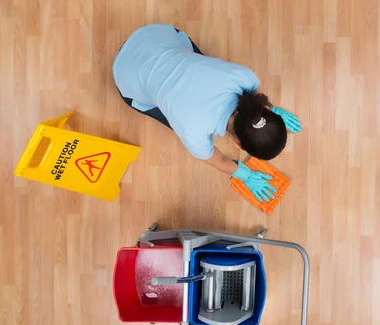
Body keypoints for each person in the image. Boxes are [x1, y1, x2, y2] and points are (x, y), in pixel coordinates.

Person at [113, 24, 302, 202]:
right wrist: (247, 175)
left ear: (267, 110)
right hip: (125, 74)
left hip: (153, 36)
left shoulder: (246, 78)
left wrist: (270, 111)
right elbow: (217, 160)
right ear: (237, 143)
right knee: (173, 114)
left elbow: (253, 96)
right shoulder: (192, 132)